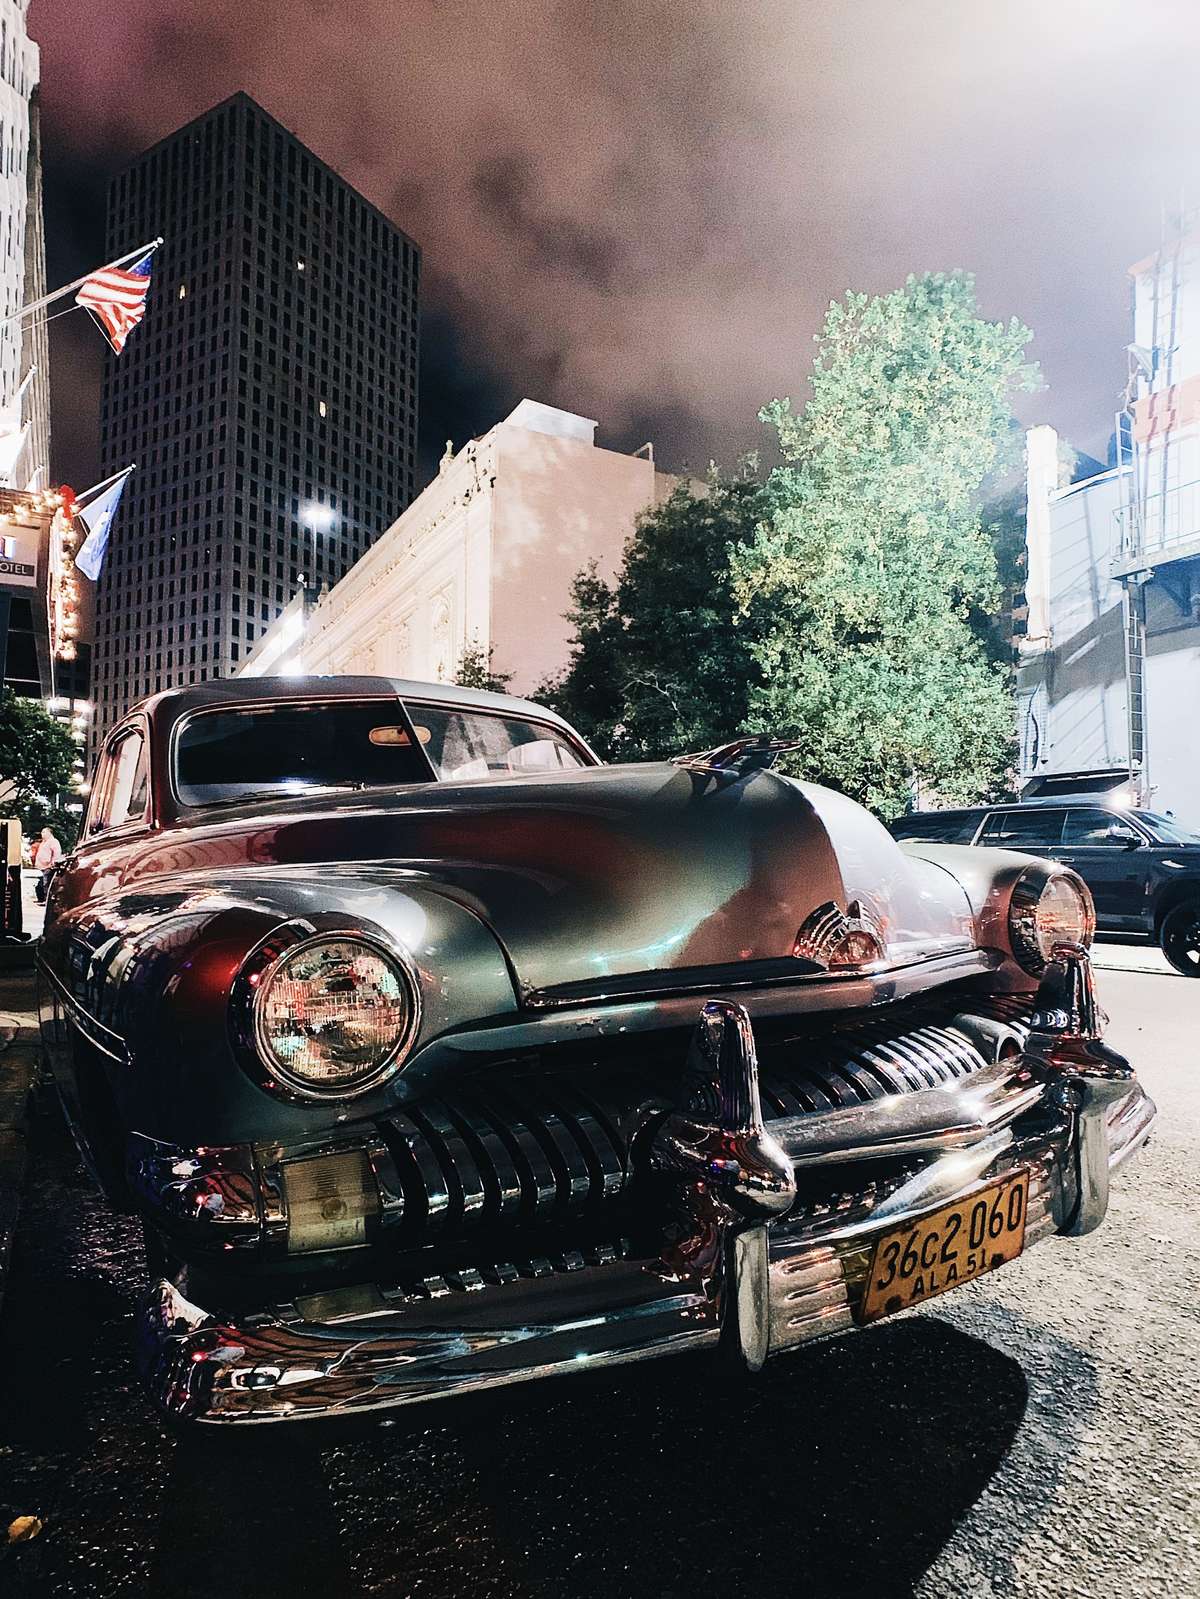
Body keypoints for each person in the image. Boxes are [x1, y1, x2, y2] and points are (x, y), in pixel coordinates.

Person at [33, 826, 62, 904]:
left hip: (49, 866)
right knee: (42, 884)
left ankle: (47, 900)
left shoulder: (53, 841)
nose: (42, 834)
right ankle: (43, 899)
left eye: (44, 832)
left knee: (47, 883)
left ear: (49, 833)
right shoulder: (43, 842)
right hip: (43, 866)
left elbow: (56, 852)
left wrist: (54, 862)